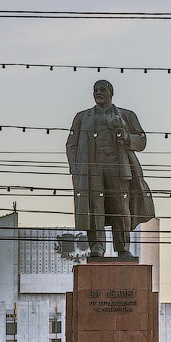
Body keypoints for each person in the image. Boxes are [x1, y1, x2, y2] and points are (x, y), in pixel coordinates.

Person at [65, 79, 155, 260]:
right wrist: (77, 169)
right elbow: (71, 145)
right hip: (92, 169)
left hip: (118, 167)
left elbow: (142, 140)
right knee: (94, 207)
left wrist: (126, 138)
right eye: (95, 90)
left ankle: (122, 247)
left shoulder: (126, 115)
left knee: (120, 206)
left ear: (110, 93)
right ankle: (97, 246)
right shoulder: (82, 118)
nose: (98, 93)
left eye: (102, 90)